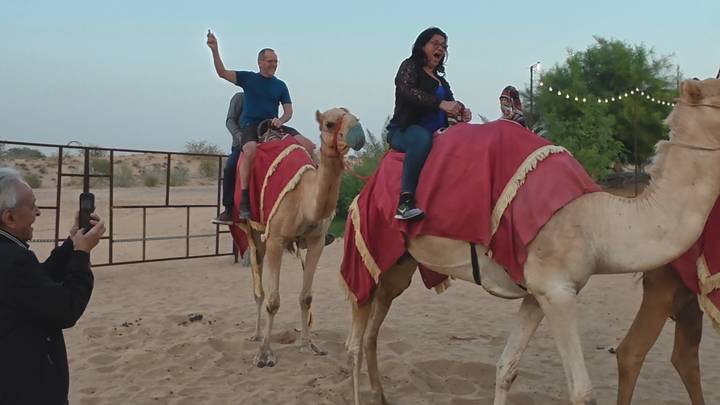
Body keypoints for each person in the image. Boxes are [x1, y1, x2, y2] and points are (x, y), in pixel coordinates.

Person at [0, 167, 105, 404]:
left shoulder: (10, 254)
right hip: (24, 386)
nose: (38, 212)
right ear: (9, 218)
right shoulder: (12, 260)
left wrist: (71, 242)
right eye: (32, 206)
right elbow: (65, 309)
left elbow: (36, 285)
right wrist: (81, 254)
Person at [206, 30, 316, 223]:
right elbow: (222, 73)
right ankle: (244, 200)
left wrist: (281, 120)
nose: (273, 65)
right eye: (270, 61)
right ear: (260, 63)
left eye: (275, 62)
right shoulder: (248, 79)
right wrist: (214, 49)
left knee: (309, 146)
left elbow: (289, 112)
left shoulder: (281, 85)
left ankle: (316, 199)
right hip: (252, 126)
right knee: (249, 151)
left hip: (273, 125)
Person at [386, 27, 471, 221]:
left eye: (443, 46)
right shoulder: (409, 67)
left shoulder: (441, 81)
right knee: (421, 138)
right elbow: (407, 91)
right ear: (422, 45)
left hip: (437, 132)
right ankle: (405, 203)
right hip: (405, 131)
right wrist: (440, 103)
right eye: (435, 43)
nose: (440, 48)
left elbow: (451, 103)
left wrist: (461, 111)